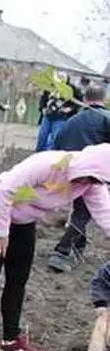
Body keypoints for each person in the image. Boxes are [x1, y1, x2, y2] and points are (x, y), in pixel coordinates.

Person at [0, 144, 110, 351]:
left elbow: (106, 215)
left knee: (18, 278)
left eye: (95, 180)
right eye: (88, 177)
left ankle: (11, 339)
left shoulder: (92, 185)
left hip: (25, 219)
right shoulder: (48, 164)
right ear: (83, 165)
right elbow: (5, 190)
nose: (87, 183)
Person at [47, 83, 110, 273]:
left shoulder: (71, 120)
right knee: (84, 213)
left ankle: (77, 247)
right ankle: (61, 252)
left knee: (80, 210)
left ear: (85, 99)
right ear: (104, 99)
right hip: (91, 174)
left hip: (68, 171)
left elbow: (57, 143)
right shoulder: (105, 118)